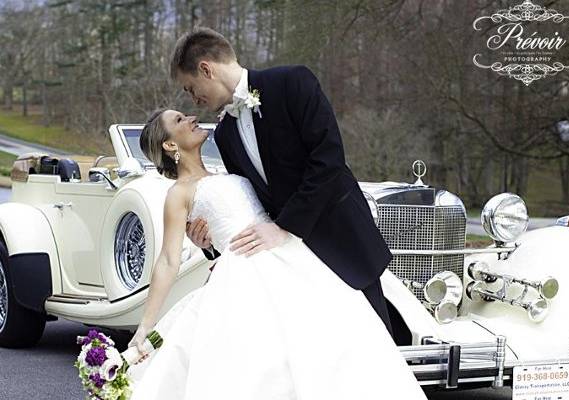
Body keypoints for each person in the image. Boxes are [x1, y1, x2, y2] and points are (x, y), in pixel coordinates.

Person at [124, 108, 428, 400]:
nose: (190, 117)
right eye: (179, 119)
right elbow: (168, 259)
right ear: (169, 144)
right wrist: (145, 326)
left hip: (289, 253)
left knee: (333, 339)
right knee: (266, 359)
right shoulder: (179, 193)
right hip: (245, 273)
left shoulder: (226, 171)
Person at [177, 26, 395, 336]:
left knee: (372, 349)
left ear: (206, 69)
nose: (193, 99)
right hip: (287, 267)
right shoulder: (225, 134)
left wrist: (286, 227)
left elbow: (328, 158)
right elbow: (249, 205)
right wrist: (210, 246)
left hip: (343, 243)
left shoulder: (293, 81)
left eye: (190, 87)